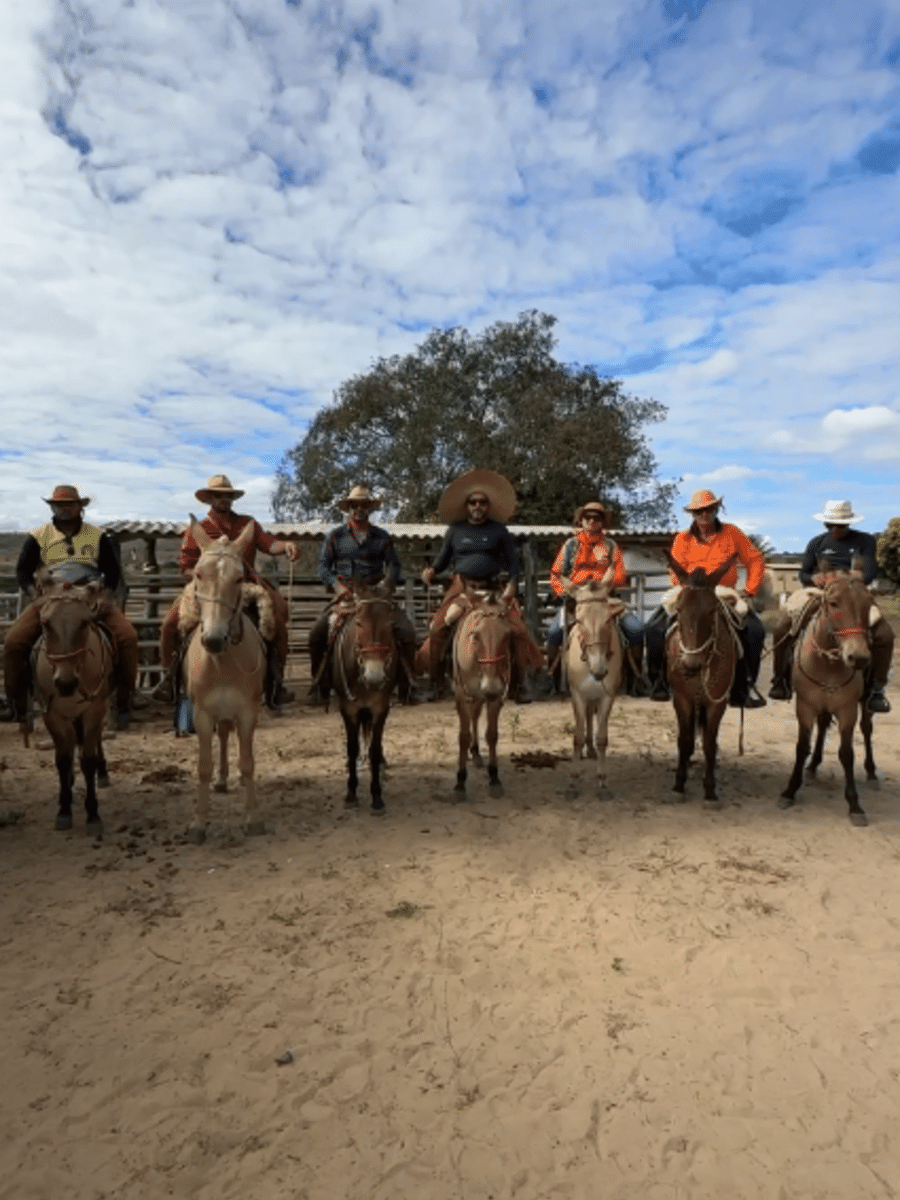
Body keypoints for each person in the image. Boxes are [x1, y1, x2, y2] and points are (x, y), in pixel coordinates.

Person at [3, 483, 140, 730]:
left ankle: (125, 698)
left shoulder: (97, 536)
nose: (64, 509)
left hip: (88, 593)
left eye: (69, 505)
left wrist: (104, 597)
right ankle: (17, 702)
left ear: (79, 507)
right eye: (59, 505)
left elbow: (112, 572)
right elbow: (23, 570)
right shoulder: (39, 535)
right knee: (14, 641)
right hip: (51, 597)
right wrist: (36, 595)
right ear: (52, 507)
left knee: (127, 637)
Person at [156, 474, 299, 708]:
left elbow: (269, 544)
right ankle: (169, 678)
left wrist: (286, 546)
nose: (223, 499)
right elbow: (186, 566)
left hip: (246, 585)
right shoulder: (199, 529)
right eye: (218, 495)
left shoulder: (247, 524)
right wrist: (207, 578)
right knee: (170, 625)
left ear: (232, 498)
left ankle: (276, 682)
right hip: (207, 588)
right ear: (209, 498)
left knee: (278, 619)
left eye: (227, 495)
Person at [416, 468, 544, 703]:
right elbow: (443, 560)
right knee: (438, 628)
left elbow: (513, 564)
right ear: (467, 506)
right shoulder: (455, 531)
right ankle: (435, 683)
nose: (478, 506)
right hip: (463, 590)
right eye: (473, 502)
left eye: (482, 502)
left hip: (493, 592)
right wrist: (431, 571)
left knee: (518, 630)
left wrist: (513, 585)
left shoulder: (499, 531)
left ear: (488, 505)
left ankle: (520, 685)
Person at [644, 489, 767, 708]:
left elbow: (755, 560)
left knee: (755, 630)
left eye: (708, 509)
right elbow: (675, 570)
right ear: (692, 514)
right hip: (690, 588)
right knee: (653, 627)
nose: (704, 515)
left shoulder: (733, 533)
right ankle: (659, 683)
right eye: (699, 511)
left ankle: (745, 686)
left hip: (722, 590)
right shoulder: (682, 538)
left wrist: (749, 591)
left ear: (716, 509)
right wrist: (687, 585)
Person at [769, 500, 893, 713]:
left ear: (848, 523)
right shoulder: (817, 543)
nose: (835, 529)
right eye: (830, 525)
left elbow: (871, 572)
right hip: (820, 592)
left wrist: (846, 579)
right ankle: (780, 680)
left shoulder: (865, 541)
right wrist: (814, 578)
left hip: (854, 594)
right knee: (783, 625)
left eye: (840, 525)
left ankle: (877, 689)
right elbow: (804, 573)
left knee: (884, 634)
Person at [307, 484, 420, 702]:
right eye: (354, 505)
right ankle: (320, 685)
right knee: (316, 633)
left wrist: (387, 584)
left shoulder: (382, 537)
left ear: (370, 508)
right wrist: (338, 588)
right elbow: (323, 567)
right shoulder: (335, 536)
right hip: (346, 594)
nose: (359, 509)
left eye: (363, 505)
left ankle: (409, 685)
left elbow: (394, 565)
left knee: (406, 631)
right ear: (348, 507)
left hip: (376, 596)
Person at [546, 502, 645, 683]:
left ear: (602, 522)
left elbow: (620, 574)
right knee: (554, 632)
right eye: (587, 517)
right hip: (577, 598)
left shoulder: (610, 546)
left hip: (605, 598)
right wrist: (564, 594)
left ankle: (636, 678)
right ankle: (552, 678)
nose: (592, 521)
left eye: (596, 518)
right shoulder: (570, 545)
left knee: (635, 629)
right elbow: (556, 574)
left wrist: (603, 583)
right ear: (581, 521)